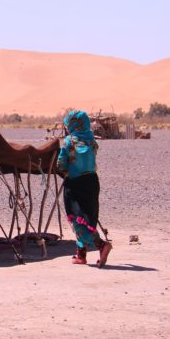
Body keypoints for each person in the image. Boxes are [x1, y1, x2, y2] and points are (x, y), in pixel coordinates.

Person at [57, 110, 112, 267]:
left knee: (77, 218)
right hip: (92, 182)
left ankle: (101, 245)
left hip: (75, 184)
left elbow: (60, 165)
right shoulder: (92, 141)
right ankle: (81, 255)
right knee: (87, 217)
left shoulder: (69, 142)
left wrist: (67, 169)